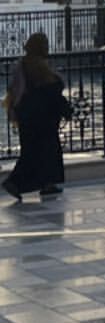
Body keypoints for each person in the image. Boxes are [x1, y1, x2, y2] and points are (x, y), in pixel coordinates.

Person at [3, 34, 71, 203]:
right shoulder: (39, 67)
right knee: (45, 152)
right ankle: (16, 183)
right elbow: (51, 90)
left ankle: (43, 184)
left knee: (32, 153)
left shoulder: (22, 65)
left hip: (27, 118)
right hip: (42, 120)